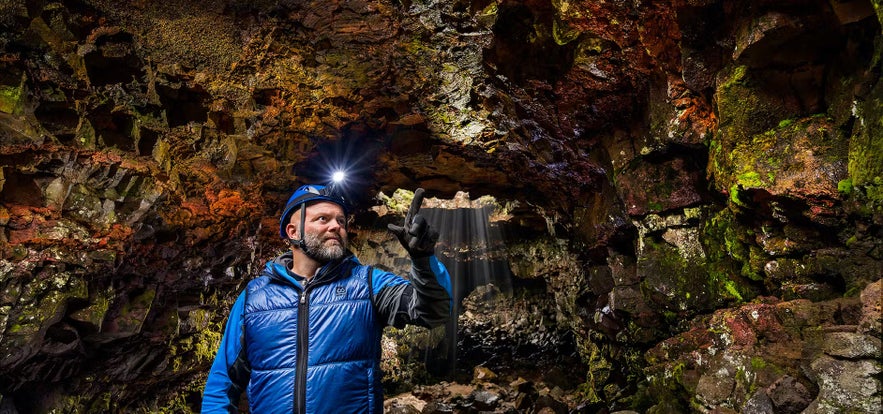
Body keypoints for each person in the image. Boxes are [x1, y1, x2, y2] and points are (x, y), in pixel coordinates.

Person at [201, 185, 452, 413]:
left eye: (340, 221)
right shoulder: (254, 298)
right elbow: (221, 387)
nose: (336, 226)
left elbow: (434, 311)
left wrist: (423, 260)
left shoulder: (367, 284)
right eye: (323, 219)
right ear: (292, 231)